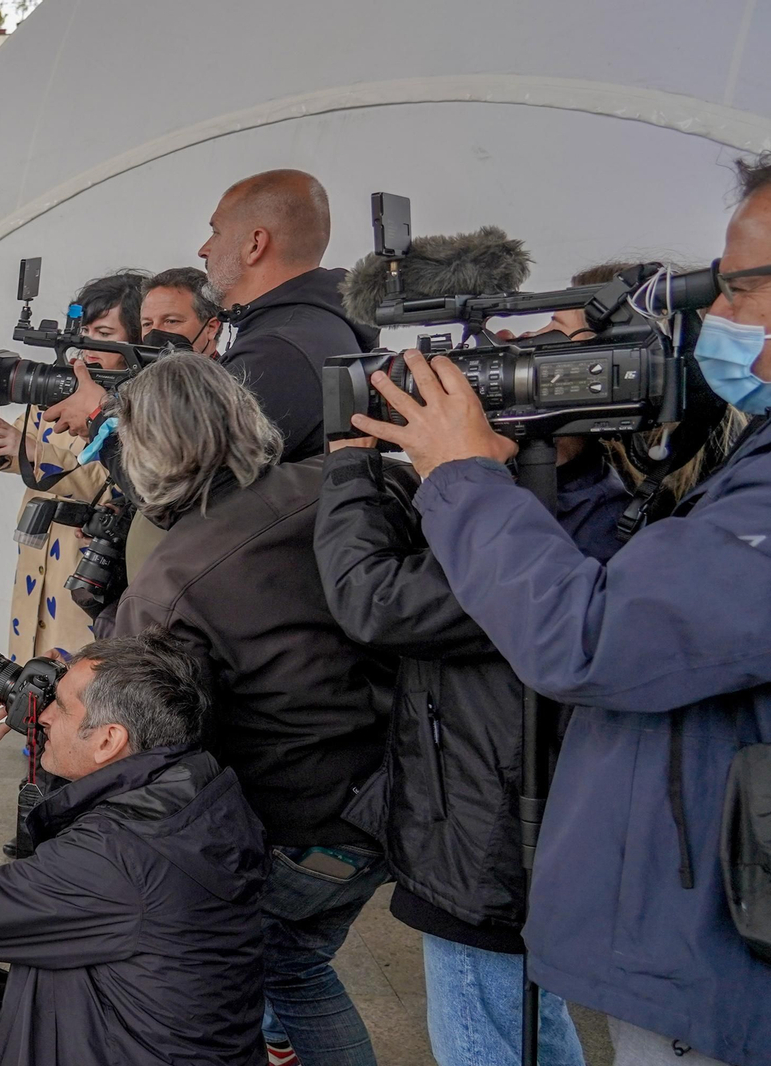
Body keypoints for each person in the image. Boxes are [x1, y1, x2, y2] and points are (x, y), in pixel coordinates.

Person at [346, 159, 771, 1066]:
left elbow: (580, 637)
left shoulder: (621, 506)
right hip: (657, 893)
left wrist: (453, 475)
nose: (725, 319)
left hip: (643, 903)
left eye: (737, 292)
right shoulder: (698, 482)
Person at [312, 268, 648, 1066]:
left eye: (554, 339)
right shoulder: (559, 491)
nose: (519, 353)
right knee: (526, 1025)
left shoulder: (557, 523)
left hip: (492, 840)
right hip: (485, 818)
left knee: (484, 1037)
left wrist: (352, 463)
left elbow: (375, 599)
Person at [98, 353, 393, 1066]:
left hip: (308, 824)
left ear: (145, 450)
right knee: (289, 961)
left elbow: (142, 747)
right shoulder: (346, 481)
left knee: (280, 967)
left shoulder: (171, 581)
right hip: (402, 793)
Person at [0, 628, 269, 1066]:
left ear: (108, 740)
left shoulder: (112, 856)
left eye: (59, 706)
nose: (41, 716)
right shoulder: (199, 785)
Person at [48, 171, 379, 463]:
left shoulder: (278, 351)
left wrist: (98, 418)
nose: (204, 249)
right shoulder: (306, 329)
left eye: (216, 232)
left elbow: (179, 481)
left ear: (255, 244)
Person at [0, 272, 144, 663]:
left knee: (76, 671)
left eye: (103, 333)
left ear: (134, 338)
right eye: (85, 330)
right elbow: (20, 446)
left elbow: (119, 484)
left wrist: (33, 449)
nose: (88, 346)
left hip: (89, 559)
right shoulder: (60, 382)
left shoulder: (137, 401)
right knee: (29, 664)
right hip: (37, 551)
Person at [139, 266, 224, 356]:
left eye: (171, 321)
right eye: (147, 324)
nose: (154, 332)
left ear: (211, 327)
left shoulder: (235, 368)